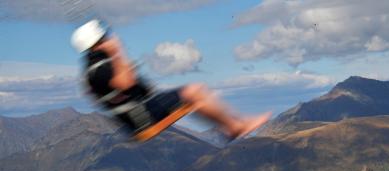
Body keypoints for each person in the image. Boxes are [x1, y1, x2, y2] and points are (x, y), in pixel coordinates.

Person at [71, 19, 271, 142]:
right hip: (143, 118)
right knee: (194, 93)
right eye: (104, 36)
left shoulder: (93, 68)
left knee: (195, 95)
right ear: (97, 43)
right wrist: (117, 51)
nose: (108, 38)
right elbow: (126, 82)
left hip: (141, 112)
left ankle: (232, 125)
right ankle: (235, 127)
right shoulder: (100, 68)